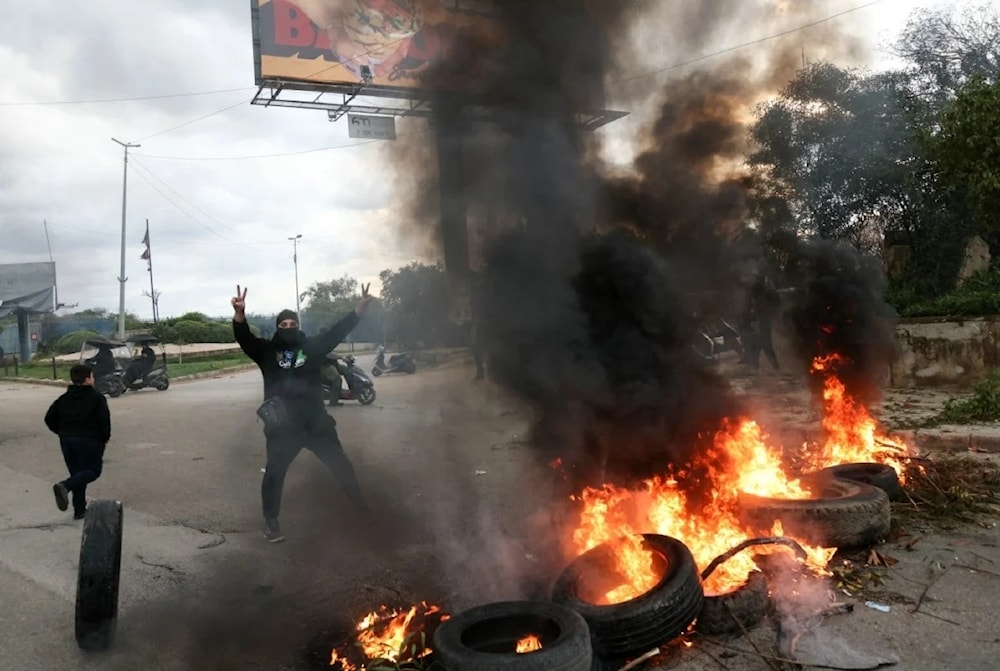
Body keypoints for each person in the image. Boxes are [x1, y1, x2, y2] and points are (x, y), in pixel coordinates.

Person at [231, 284, 374, 543]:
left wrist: (358, 310)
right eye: (283, 325)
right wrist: (240, 315)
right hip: (283, 428)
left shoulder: (312, 348)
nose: (288, 328)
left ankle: (361, 509)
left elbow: (336, 333)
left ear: (298, 325)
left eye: (291, 324)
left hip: (316, 423)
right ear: (277, 328)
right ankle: (271, 522)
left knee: (341, 465)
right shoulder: (267, 352)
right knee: (274, 474)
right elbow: (245, 339)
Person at [44, 364, 111, 520]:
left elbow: (49, 419)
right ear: (87, 379)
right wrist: (104, 438)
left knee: (77, 474)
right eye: (92, 376)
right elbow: (104, 421)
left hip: (66, 439)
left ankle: (79, 510)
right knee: (93, 471)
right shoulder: (96, 398)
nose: (93, 379)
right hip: (89, 439)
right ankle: (65, 486)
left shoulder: (63, 399)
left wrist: (61, 432)